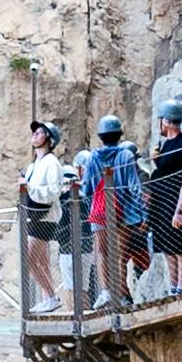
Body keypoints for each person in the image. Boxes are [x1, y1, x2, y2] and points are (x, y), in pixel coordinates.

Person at [78, 111, 143, 307]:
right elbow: (134, 186)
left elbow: (86, 188)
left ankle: (106, 291)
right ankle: (121, 295)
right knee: (120, 254)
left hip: (100, 212)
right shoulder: (126, 155)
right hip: (123, 212)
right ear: (119, 134)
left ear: (101, 136)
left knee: (102, 252)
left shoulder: (93, 158)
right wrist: (142, 211)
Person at [143, 100, 182, 293]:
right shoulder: (167, 145)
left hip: (174, 204)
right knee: (168, 250)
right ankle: (173, 287)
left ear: (167, 122)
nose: (159, 124)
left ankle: (181, 288)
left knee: (180, 248)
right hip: (162, 205)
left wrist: (180, 211)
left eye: (160, 120)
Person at [18, 119, 73, 311]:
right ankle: (48, 298)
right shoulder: (34, 165)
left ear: (49, 139)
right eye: (34, 133)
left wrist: (29, 187)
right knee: (40, 260)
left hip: (46, 215)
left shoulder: (52, 163)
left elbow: (53, 191)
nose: (34, 136)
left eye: (39, 133)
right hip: (35, 215)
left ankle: (51, 297)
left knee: (29, 259)